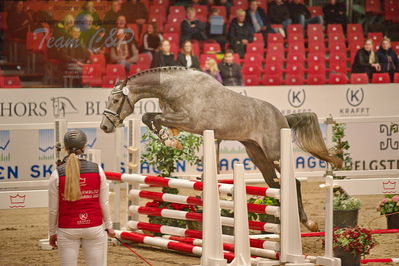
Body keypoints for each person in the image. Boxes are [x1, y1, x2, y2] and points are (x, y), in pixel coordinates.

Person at [48, 129, 114, 266]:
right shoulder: (98, 170)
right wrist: (109, 226)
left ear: (65, 149)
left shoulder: (56, 174)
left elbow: (53, 209)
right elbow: (104, 203)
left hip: (67, 228)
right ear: (84, 147)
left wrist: (52, 232)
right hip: (94, 227)